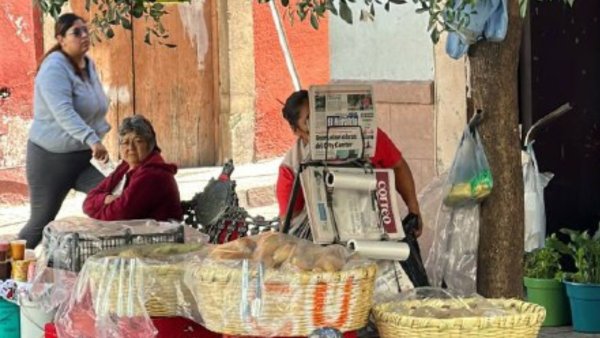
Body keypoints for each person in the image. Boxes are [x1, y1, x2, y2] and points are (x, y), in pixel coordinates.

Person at [18, 13, 110, 249]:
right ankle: (5, 272)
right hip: (50, 161)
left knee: (114, 200)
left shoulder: (87, 64)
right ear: (60, 38)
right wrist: (91, 138)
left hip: (80, 160)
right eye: (76, 32)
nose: (84, 36)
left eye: (86, 31)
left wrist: (101, 133)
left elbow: (97, 104)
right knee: (39, 226)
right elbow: (64, 112)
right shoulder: (54, 69)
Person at [276, 90, 423, 237]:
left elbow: (398, 166)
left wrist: (414, 209)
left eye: (320, 116)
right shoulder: (291, 167)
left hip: (375, 231)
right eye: (309, 121)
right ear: (297, 130)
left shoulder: (366, 138)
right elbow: (291, 222)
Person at [83, 115, 183, 221]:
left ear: (150, 144)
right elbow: (87, 203)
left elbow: (119, 215)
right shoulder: (124, 167)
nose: (130, 147)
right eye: (125, 143)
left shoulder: (153, 174)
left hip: (159, 235)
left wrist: (98, 211)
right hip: (131, 232)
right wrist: (106, 199)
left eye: (138, 141)